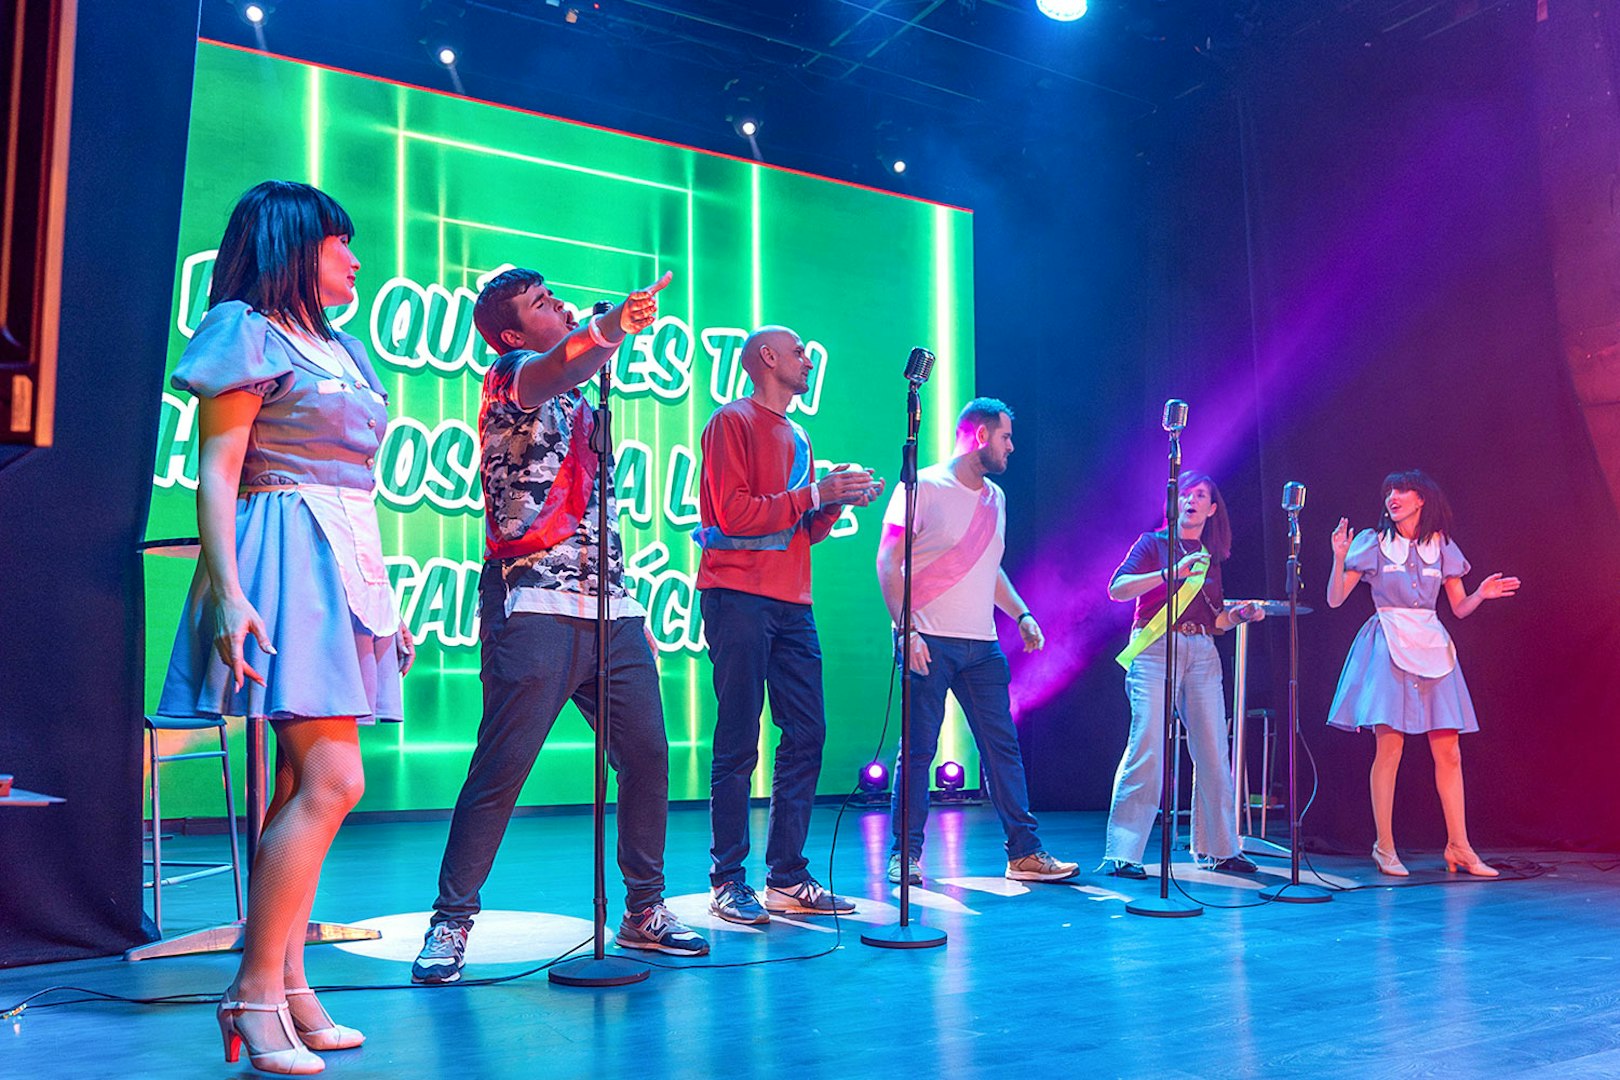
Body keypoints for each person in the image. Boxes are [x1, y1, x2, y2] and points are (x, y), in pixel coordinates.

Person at [159, 180, 412, 1075]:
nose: (354, 259)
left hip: (343, 558)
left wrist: (382, 609)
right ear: (294, 246)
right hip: (279, 551)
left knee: (307, 778)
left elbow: (357, 483)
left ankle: (288, 984)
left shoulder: (341, 346)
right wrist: (227, 591)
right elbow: (219, 473)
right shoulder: (245, 328)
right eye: (341, 242)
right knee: (335, 777)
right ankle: (252, 993)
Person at [410, 266, 707, 984]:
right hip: (534, 604)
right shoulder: (511, 375)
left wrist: (601, 337)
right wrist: (608, 329)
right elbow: (559, 363)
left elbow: (576, 363)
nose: (563, 305)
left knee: (647, 755)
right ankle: (450, 924)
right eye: (544, 304)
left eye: (558, 296)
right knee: (502, 767)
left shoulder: (579, 395)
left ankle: (643, 910)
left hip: (613, 607)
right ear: (512, 332)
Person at [694, 326, 882, 924]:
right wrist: (813, 494)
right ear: (767, 359)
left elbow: (801, 530)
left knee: (807, 733)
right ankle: (728, 879)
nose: (807, 360)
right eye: (799, 351)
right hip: (738, 596)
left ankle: (787, 877)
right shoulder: (733, 421)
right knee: (738, 739)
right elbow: (735, 514)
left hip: (792, 602)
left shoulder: (799, 434)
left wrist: (832, 504)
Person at [874, 398, 1078, 886]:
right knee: (917, 751)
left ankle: (1024, 853)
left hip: (981, 647)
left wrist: (1022, 613)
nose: (1012, 448)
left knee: (1001, 749)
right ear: (981, 436)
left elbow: (988, 568)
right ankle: (906, 857)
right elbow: (887, 561)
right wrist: (906, 629)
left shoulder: (995, 499)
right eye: (1006, 437)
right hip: (929, 640)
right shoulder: (922, 486)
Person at [1326, 469, 1519, 877]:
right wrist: (1339, 557)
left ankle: (1459, 847)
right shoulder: (1374, 543)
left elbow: (1459, 608)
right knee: (1389, 747)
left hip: (1432, 644)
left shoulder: (1441, 546)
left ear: (1421, 500)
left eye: (1402, 491)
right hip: (1389, 643)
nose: (1392, 497)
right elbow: (1336, 599)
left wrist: (1481, 594)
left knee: (1449, 749)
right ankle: (1384, 846)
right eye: (1389, 491)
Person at [1101, 472, 1264, 880]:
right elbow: (1117, 589)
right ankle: (1124, 853)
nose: (1191, 500)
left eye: (1201, 495)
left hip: (1202, 651)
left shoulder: (1211, 556)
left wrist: (1240, 615)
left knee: (1213, 747)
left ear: (1212, 509)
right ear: (1172, 503)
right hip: (1155, 649)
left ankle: (1221, 849)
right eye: (1185, 494)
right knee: (1148, 745)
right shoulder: (1152, 544)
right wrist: (1170, 572)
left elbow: (1216, 620)